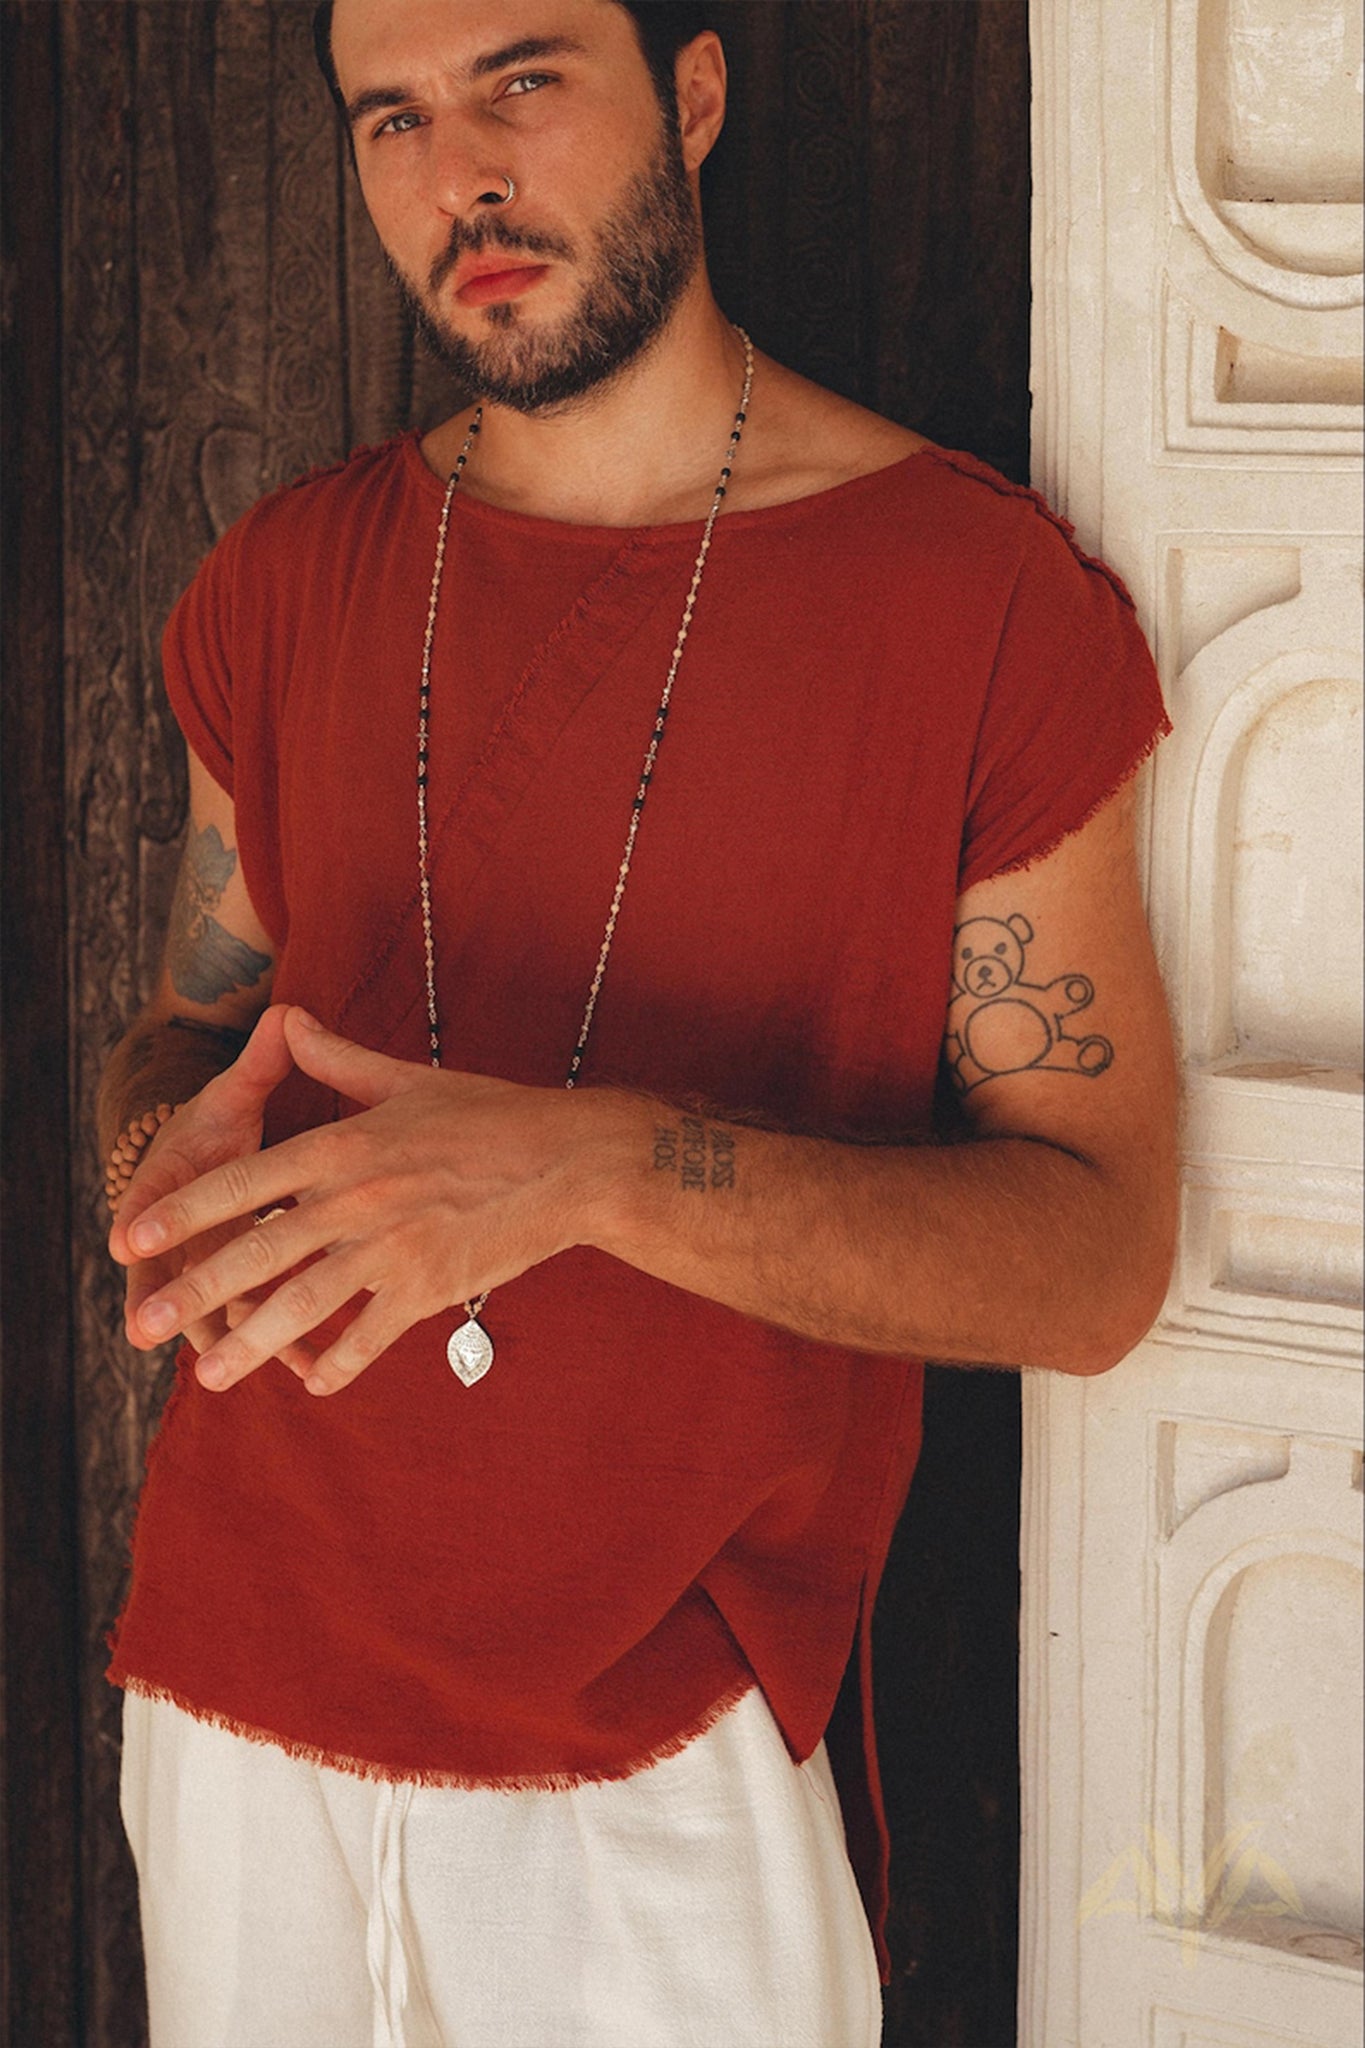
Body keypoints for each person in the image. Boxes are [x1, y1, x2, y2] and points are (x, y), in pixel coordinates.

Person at [97, 2, 1178, 2043]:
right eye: (394, 119)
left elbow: (1096, 1256)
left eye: (524, 79)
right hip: (229, 1699)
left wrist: (591, 1170)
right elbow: (181, 1036)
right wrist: (162, 1157)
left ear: (691, 95)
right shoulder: (284, 577)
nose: (462, 176)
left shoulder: (971, 600)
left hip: (654, 1757)